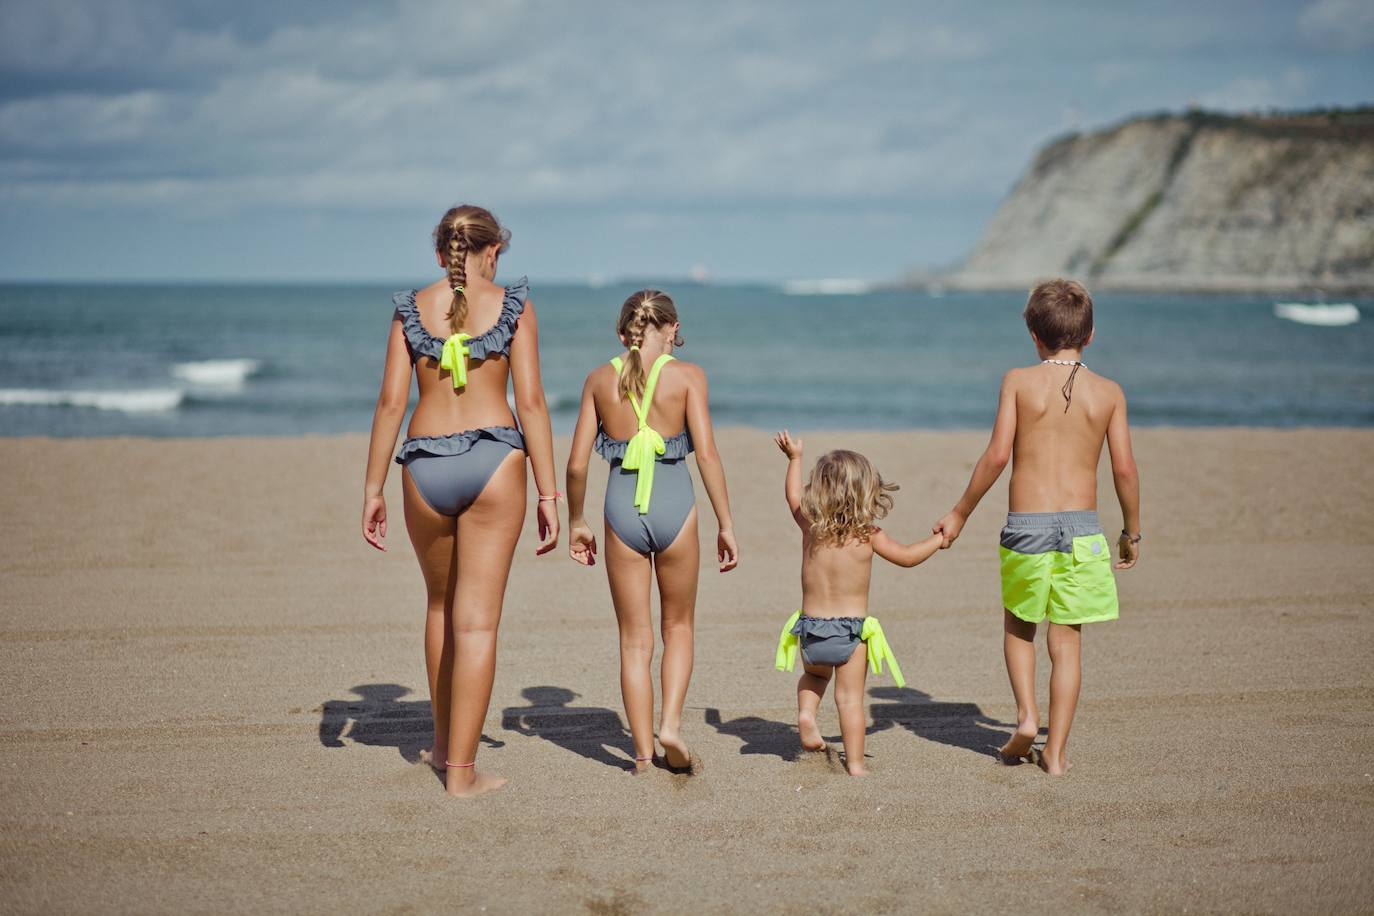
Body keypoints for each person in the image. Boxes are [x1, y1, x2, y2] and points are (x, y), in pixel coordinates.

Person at [361, 204, 559, 797]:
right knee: (476, 624)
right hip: (495, 463)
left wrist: (372, 489)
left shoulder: (408, 310)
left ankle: (444, 745)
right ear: (493, 250)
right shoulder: (514, 307)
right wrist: (550, 493)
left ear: (441, 251)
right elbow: (533, 405)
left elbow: (390, 406)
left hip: (422, 464)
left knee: (439, 608)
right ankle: (462, 775)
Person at [933, 278, 1141, 776]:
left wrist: (960, 511)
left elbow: (998, 456)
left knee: (1019, 626)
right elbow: (1125, 470)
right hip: (1084, 529)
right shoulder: (1108, 393)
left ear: (1033, 333)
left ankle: (1027, 717)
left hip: (1026, 524)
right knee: (1066, 640)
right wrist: (1131, 531)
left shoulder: (1019, 382)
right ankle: (1057, 752)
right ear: (1090, 335)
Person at [564, 289, 738, 773]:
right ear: (674, 328)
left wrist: (576, 522)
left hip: (621, 511)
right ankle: (671, 726)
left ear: (623, 334)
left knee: (634, 641)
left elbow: (577, 465)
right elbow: (706, 455)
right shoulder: (689, 377)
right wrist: (726, 524)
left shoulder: (600, 380)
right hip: (676, 506)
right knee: (678, 625)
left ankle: (642, 755)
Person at [773, 432, 942, 776]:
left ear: (819, 490)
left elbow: (792, 497)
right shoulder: (869, 535)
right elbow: (908, 558)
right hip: (851, 633)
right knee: (849, 700)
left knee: (813, 678)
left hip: (811, 628)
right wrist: (938, 540)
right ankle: (855, 765)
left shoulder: (811, 528)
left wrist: (794, 459)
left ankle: (806, 714)